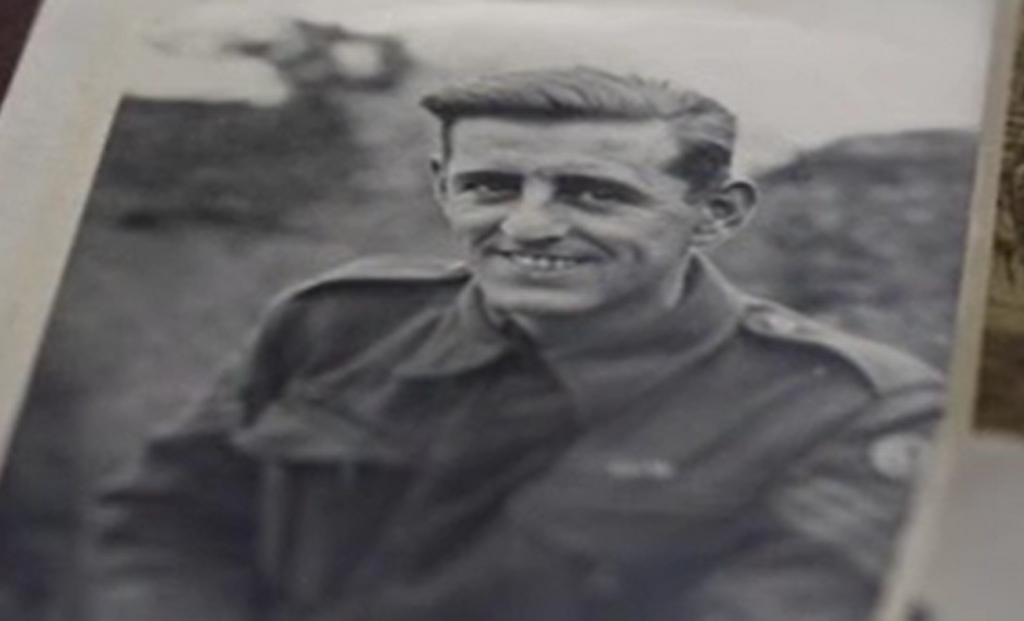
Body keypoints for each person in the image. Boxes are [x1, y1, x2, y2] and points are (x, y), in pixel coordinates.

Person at [91, 67, 944, 621]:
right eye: (491, 186)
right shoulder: (337, 325)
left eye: (594, 193)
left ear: (715, 215)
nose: (529, 224)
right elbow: (169, 525)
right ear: (441, 188)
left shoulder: (847, 411)